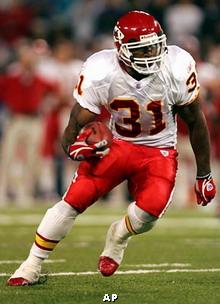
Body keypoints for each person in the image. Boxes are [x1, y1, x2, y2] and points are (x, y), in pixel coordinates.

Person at [7, 10, 216, 286]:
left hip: (159, 149)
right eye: (142, 49)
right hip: (118, 145)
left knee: (152, 209)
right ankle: (31, 264)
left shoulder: (176, 66)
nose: (152, 53)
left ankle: (118, 236)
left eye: (155, 45)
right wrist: (72, 147)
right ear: (122, 49)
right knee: (73, 199)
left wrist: (203, 174)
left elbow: (196, 122)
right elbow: (76, 121)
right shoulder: (101, 70)